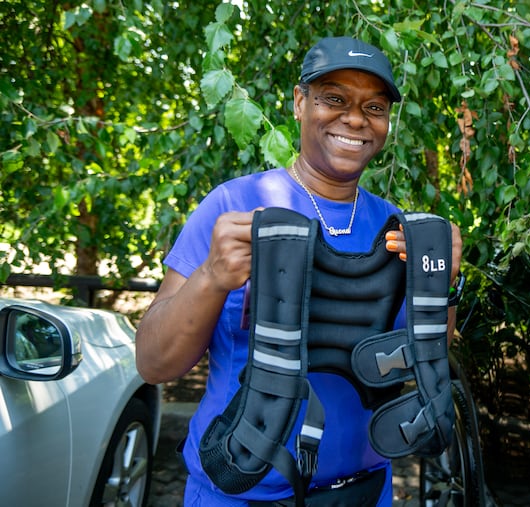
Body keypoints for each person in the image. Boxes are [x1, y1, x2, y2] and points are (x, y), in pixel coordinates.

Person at [135, 36, 462, 506]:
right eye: (334, 98)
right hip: (239, 492)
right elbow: (153, 363)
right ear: (299, 102)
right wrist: (210, 276)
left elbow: (426, 357)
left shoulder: (397, 231)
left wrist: (440, 282)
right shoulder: (234, 207)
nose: (355, 119)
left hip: (366, 493)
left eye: (374, 107)